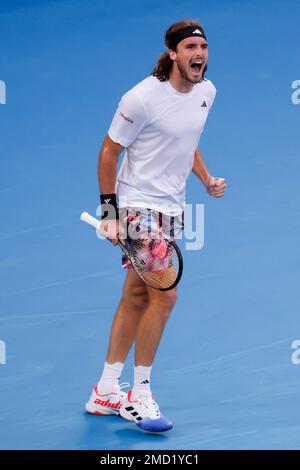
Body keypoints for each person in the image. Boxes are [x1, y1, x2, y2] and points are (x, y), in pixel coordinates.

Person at [85, 19, 227, 433]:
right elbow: (110, 151)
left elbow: (187, 138)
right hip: (136, 207)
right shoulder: (141, 98)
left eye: (202, 46)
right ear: (173, 55)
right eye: (189, 47)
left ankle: (106, 389)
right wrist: (110, 212)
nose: (198, 53)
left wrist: (205, 178)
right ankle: (140, 394)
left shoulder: (206, 92)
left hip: (171, 210)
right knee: (165, 296)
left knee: (136, 296)